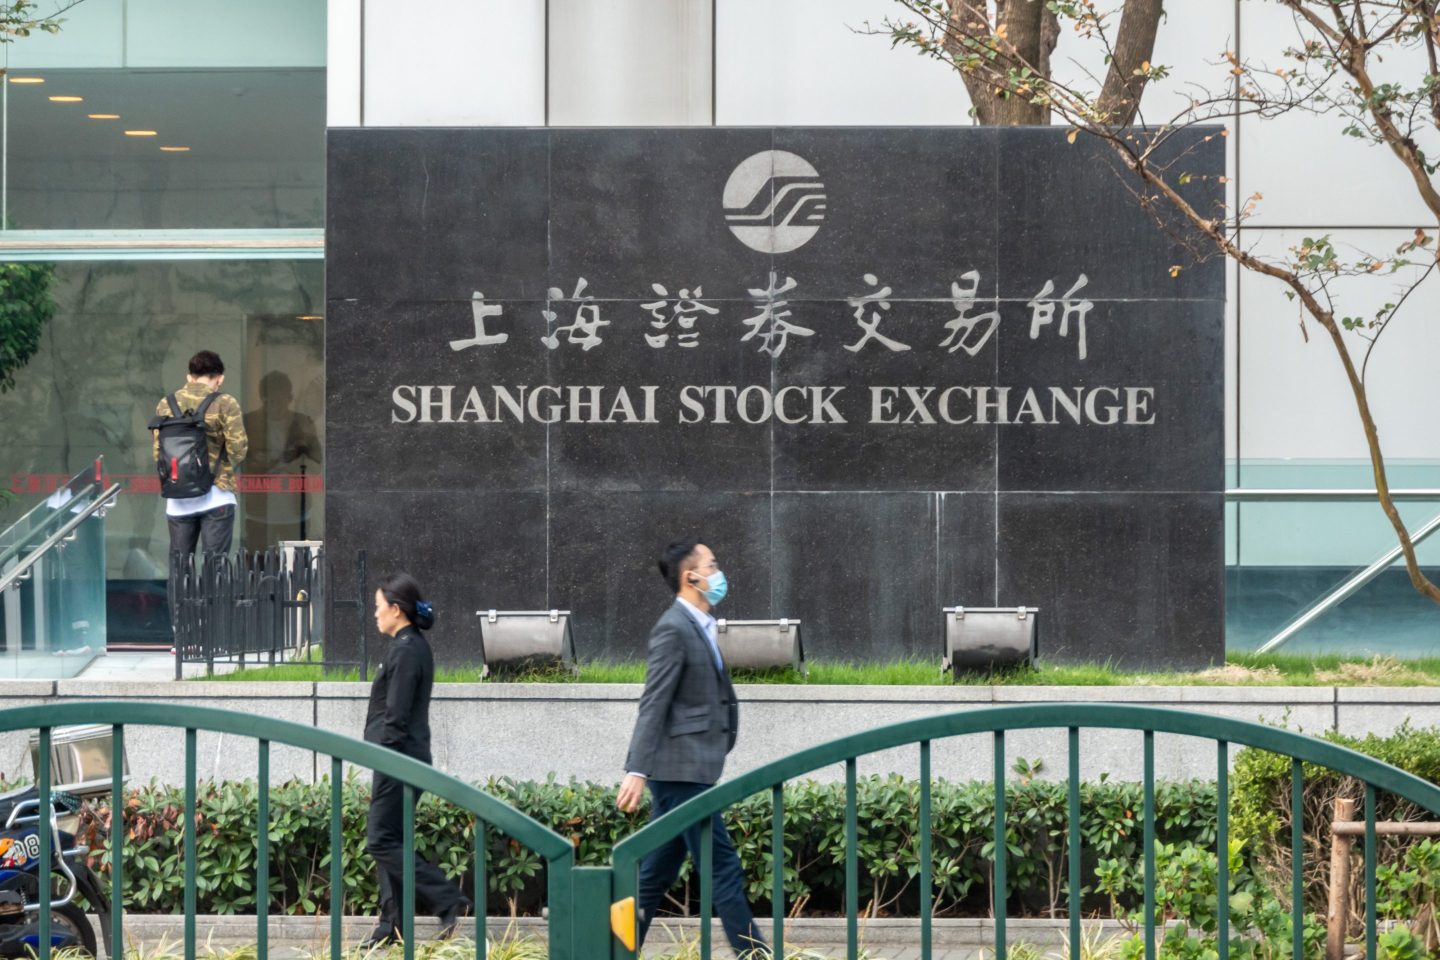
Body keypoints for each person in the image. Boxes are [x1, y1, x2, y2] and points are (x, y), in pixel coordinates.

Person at [617, 540, 769, 955]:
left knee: (654, 875)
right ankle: (755, 954)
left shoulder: (700, 624)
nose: (719, 574)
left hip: (689, 768)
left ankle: (611, 950)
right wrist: (636, 768)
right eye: (712, 566)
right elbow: (655, 700)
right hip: (680, 771)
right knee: (722, 866)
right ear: (691, 577)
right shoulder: (673, 627)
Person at [361, 573, 470, 948]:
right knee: (391, 840)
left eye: (378, 607)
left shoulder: (408, 650)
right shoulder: (407, 645)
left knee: (379, 840)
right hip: (399, 758)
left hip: (399, 759)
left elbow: (397, 714)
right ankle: (392, 926)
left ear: (396, 609)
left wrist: (384, 757)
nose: (374, 614)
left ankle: (446, 897)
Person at [152, 351, 247, 627]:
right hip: (216, 496)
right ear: (219, 379)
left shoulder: (166, 403)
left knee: (180, 566)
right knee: (215, 563)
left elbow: (158, 452)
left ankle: (180, 631)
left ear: (188, 376)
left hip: (177, 500)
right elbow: (239, 449)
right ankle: (212, 629)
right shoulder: (225, 403)